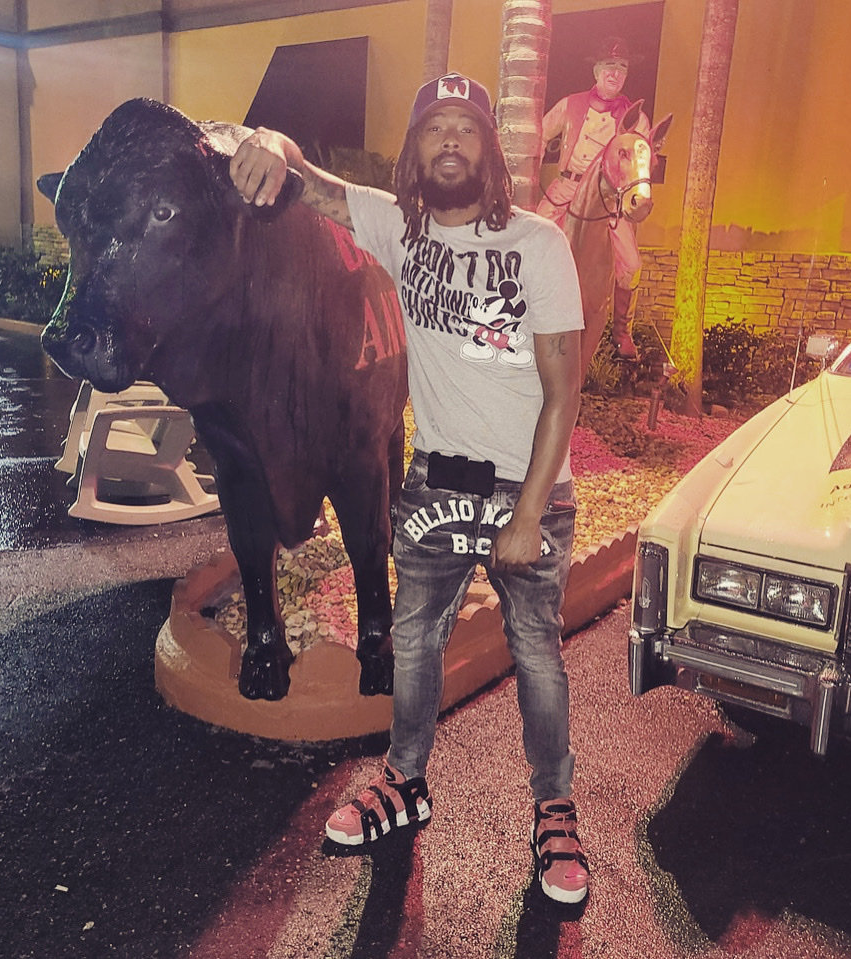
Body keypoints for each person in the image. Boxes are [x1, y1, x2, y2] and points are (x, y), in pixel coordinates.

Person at [230, 72, 588, 904]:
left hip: (525, 489)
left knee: (535, 650)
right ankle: (404, 780)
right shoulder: (399, 226)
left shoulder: (539, 244)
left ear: (488, 150)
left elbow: (563, 389)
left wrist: (528, 512)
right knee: (414, 637)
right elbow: (308, 184)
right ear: (414, 151)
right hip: (433, 485)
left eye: (465, 127)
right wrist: (271, 142)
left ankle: (554, 806)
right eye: (434, 128)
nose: (449, 140)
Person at [536, 36, 650, 360]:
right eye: (609, 66)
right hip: (567, 187)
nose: (615, 73)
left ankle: (622, 330)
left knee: (632, 264)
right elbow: (541, 134)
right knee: (532, 235)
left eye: (622, 67)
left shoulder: (635, 118)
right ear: (596, 70)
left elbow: (640, 157)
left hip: (609, 199)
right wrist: (533, 164)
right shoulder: (569, 105)